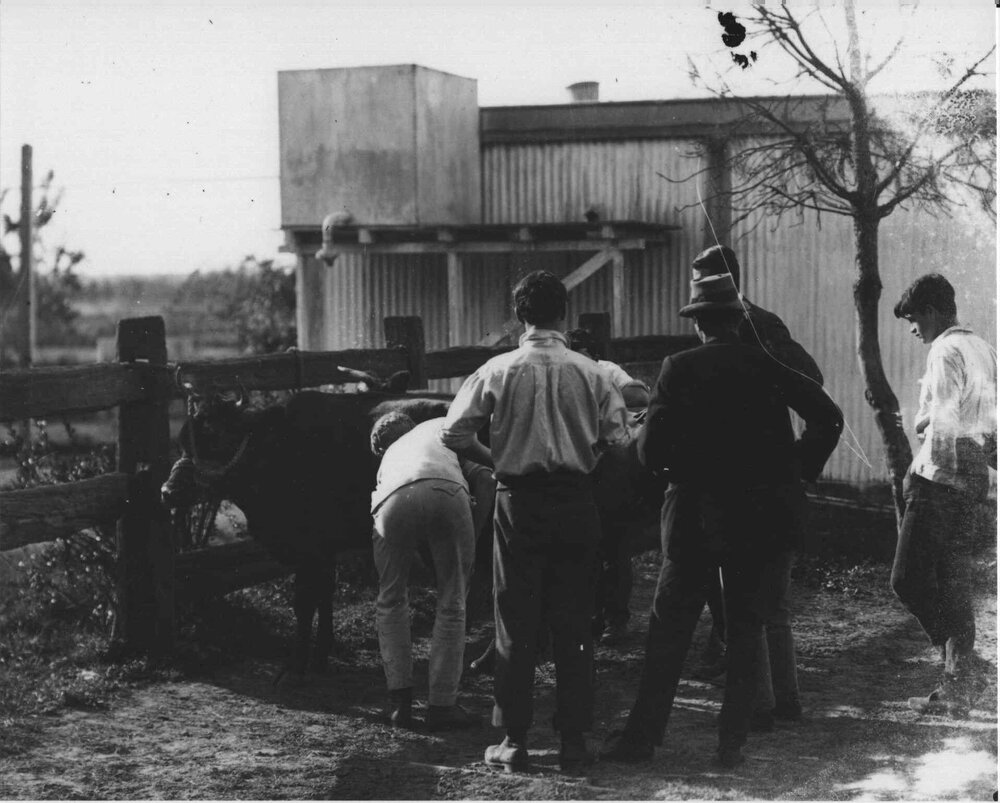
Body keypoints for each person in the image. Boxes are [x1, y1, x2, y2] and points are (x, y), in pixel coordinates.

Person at [600, 267, 843, 767]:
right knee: (745, 627)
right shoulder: (769, 365)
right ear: (738, 319)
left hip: (691, 515)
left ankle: (641, 740)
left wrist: (670, 470)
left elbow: (649, 453)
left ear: (698, 322)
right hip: (756, 514)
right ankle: (731, 743)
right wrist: (795, 467)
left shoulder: (678, 367)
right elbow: (828, 417)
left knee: (669, 627)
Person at [440, 270, 631, 774]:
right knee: (576, 620)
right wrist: (582, 450)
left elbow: (454, 434)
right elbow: (620, 439)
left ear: (520, 315)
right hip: (575, 501)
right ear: (562, 313)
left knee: (515, 619)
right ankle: (573, 741)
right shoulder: (591, 372)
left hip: (518, 502)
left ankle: (515, 739)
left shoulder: (497, 369)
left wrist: (496, 457)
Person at [688, 244, 824, 729]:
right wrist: (793, 467)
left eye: (701, 277)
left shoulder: (755, 327)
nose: (695, 288)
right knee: (771, 605)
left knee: (746, 602)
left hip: (740, 486)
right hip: (772, 482)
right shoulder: (763, 323)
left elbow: (812, 381)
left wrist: (796, 464)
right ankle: (783, 699)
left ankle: (764, 703)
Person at [891, 273, 997, 716]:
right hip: (974, 481)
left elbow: (946, 422)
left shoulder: (943, 350)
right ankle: (958, 687)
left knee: (907, 579)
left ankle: (967, 667)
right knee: (954, 583)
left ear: (933, 312)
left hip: (941, 481)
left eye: (914, 319)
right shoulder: (983, 348)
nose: (914, 329)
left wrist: (921, 472)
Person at [369, 412, 496, 732]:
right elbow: (485, 478)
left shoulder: (389, 460)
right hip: (446, 488)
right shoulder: (437, 426)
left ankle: (400, 705)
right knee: (453, 600)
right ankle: (442, 705)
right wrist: (472, 534)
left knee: (390, 597)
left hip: (390, 499)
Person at [566, 326, 650, 645]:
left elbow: (640, 396)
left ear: (593, 355)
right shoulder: (564, 372)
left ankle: (616, 619)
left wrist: (604, 393)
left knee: (614, 545)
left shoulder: (607, 370)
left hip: (611, 466)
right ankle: (589, 617)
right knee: (583, 548)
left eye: (583, 354)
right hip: (577, 463)